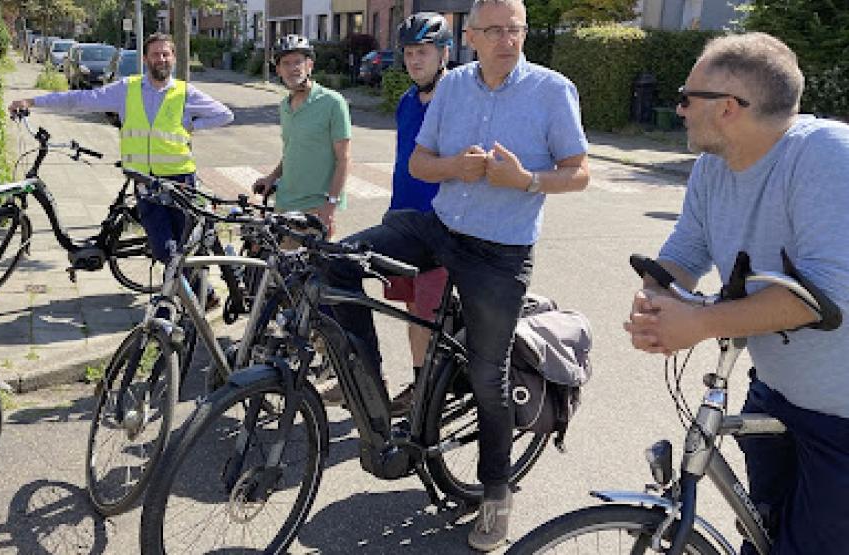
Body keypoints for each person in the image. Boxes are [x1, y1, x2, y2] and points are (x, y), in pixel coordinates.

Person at [325, 0, 589, 549]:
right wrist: (456, 168)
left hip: (501, 252)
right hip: (440, 228)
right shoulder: (454, 87)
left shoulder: (552, 88)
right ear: (471, 36)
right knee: (332, 264)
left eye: (515, 29)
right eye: (494, 30)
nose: (506, 40)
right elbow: (421, 164)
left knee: (489, 379)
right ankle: (369, 394)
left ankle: (496, 495)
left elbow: (578, 173)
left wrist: (526, 180)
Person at [624, 33, 849, 555]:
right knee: (762, 532)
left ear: (727, 108)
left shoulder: (824, 157)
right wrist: (657, 296)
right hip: (777, 390)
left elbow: (830, 294)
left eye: (686, 96)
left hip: (841, 416)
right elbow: (686, 249)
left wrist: (700, 322)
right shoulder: (713, 166)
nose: (676, 108)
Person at [8, 33, 234, 266]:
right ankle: (184, 294)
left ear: (174, 58)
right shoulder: (128, 89)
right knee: (166, 250)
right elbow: (82, 99)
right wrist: (33, 102)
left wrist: (191, 125)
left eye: (166, 54)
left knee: (184, 245)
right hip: (146, 181)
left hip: (180, 180)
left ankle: (199, 294)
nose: (161, 59)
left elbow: (225, 114)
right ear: (146, 59)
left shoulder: (185, 93)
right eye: (156, 54)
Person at [382, 12, 453, 417]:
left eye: (422, 51)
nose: (414, 60)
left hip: (439, 228)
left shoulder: (455, 99)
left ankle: (434, 393)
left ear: (444, 53)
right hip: (402, 220)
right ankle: (420, 381)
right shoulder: (408, 100)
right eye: (409, 52)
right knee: (411, 311)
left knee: (431, 315)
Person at [251, 34, 352, 237]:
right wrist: (272, 177)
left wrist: (331, 205)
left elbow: (344, 159)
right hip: (284, 203)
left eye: (298, 61)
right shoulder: (284, 106)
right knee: (273, 263)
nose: (293, 68)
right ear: (278, 70)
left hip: (315, 208)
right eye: (286, 63)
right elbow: (292, 150)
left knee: (308, 266)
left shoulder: (333, 102)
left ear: (310, 65)